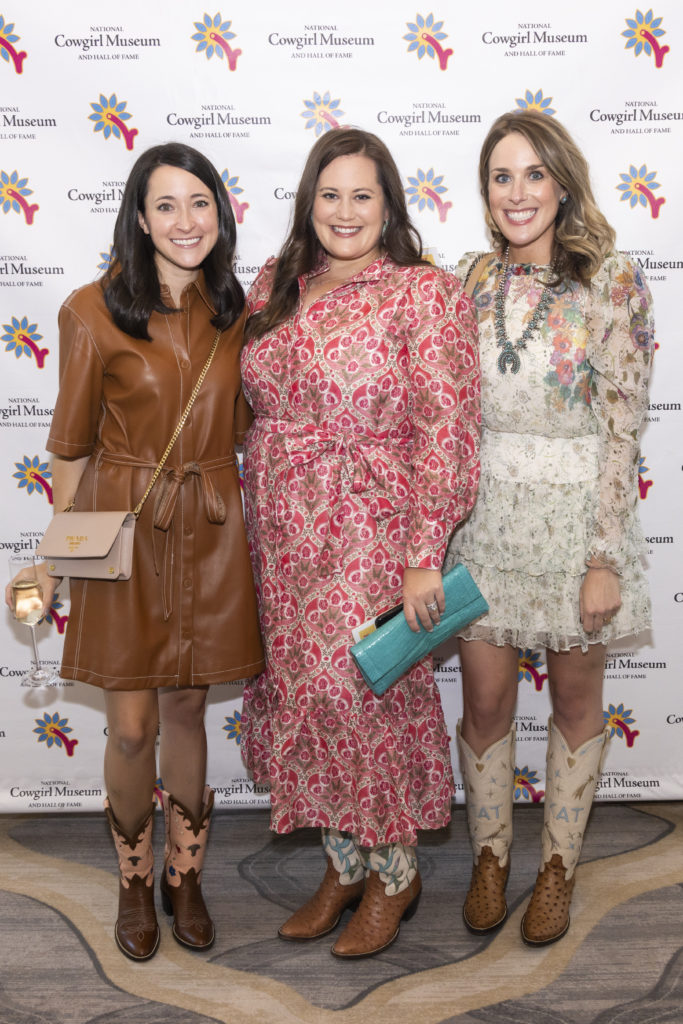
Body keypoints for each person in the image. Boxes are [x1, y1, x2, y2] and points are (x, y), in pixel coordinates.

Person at [7, 143, 264, 961]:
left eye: (200, 202)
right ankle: (133, 876)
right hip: (122, 529)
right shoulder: (92, 312)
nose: (186, 221)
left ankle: (185, 876)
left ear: (220, 213)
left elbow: (251, 424)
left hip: (211, 529)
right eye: (166, 205)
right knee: (128, 726)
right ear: (140, 219)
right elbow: (71, 448)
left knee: (186, 709)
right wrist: (59, 555)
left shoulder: (240, 314)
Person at [240, 127, 480, 958]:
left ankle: (393, 875)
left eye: (362, 195)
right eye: (329, 194)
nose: (344, 211)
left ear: (389, 206)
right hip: (282, 533)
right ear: (309, 202)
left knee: (362, 697)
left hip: (371, 529)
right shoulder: (275, 284)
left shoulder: (424, 293)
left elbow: (448, 430)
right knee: (306, 698)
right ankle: (342, 865)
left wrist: (423, 554)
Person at [444, 109, 654, 946]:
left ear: (562, 184)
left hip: (575, 526)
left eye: (533, 174)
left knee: (573, 702)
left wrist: (603, 557)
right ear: (485, 191)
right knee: (484, 703)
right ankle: (489, 858)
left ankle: (558, 866)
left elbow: (621, 427)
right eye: (501, 176)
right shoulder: (466, 279)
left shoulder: (612, 280)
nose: (517, 192)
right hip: (485, 525)